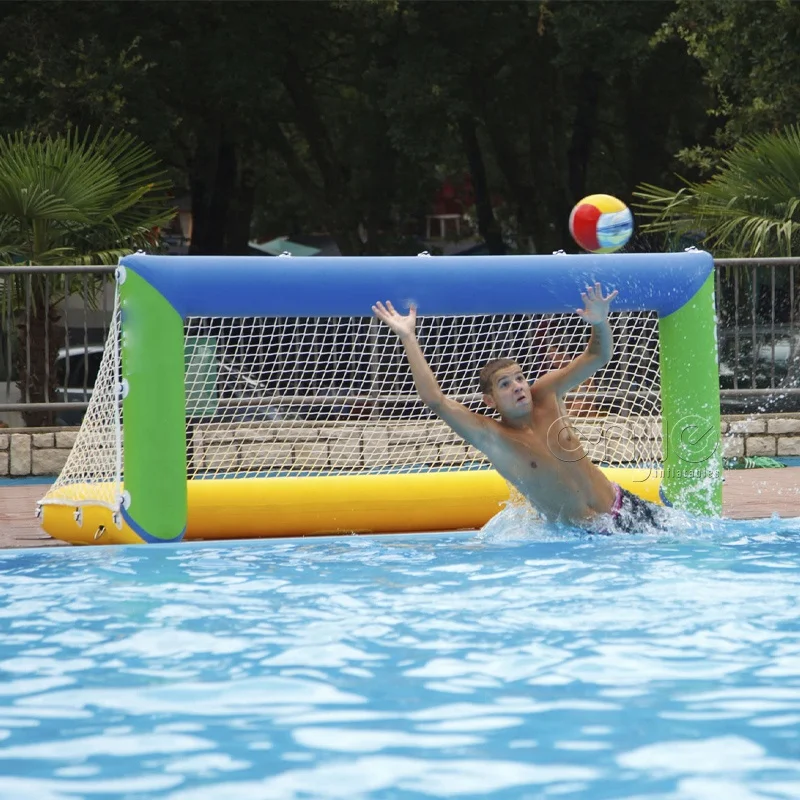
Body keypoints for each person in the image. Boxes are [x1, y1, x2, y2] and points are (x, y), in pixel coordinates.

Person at [372, 283, 666, 534]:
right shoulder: (492, 435)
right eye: (504, 385)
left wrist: (599, 321)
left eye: (520, 378)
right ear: (490, 401)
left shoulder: (546, 395)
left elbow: (597, 355)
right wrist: (408, 336)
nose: (518, 387)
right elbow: (436, 400)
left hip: (625, 507)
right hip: (581, 536)